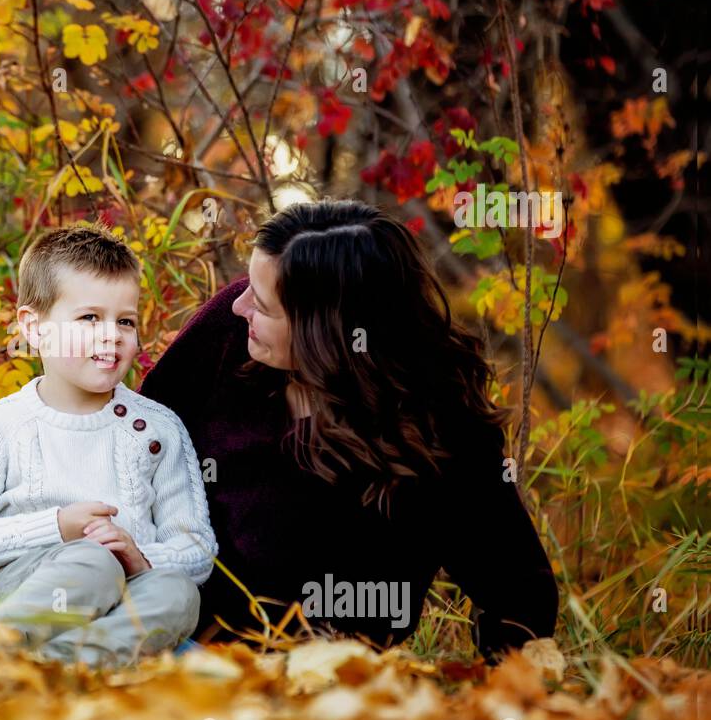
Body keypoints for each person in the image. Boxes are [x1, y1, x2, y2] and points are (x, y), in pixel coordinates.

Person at [135, 199, 559, 657]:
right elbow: (132, 447)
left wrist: (508, 695)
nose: (240, 307)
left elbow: (518, 593)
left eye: (262, 304)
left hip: (326, 681)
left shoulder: (439, 428)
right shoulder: (227, 337)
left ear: (326, 332)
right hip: (172, 638)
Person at [0, 225, 217, 667]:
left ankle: (62, 667)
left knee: (179, 592)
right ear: (34, 327)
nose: (112, 335)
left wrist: (137, 553)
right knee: (92, 563)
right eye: (89, 318)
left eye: (125, 320)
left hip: (121, 600)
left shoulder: (157, 429)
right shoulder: (5, 423)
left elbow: (196, 551)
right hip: (25, 588)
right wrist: (57, 527)